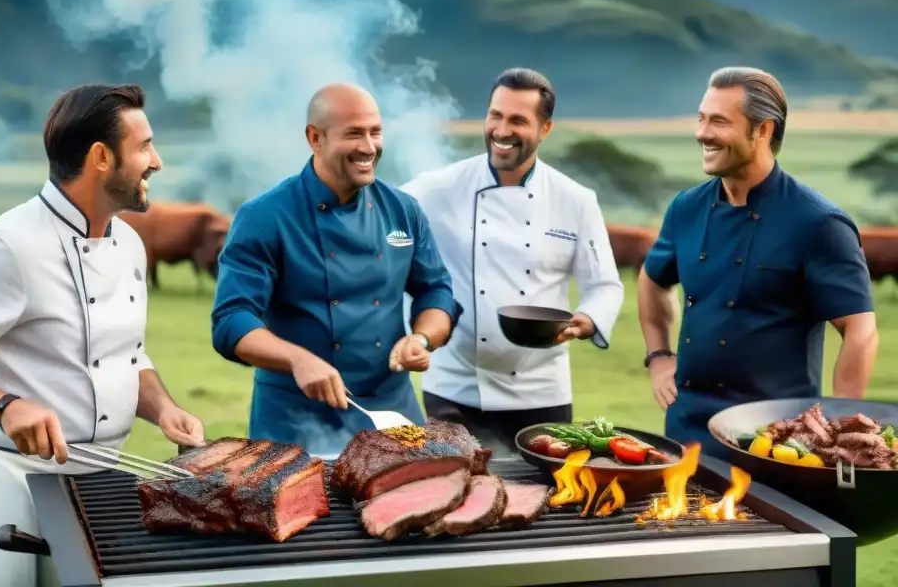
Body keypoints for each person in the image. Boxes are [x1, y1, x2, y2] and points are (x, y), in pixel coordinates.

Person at [0, 84, 206, 587]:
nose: (158, 161)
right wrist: (6, 406)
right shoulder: (4, 246)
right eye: (145, 146)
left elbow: (124, 354)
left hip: (109, 486)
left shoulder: (128, 243)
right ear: (101, 158)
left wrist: (163, 408)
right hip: (20, 489)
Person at [638, 67, 878, 460]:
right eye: (701, 118)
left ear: (763, 130)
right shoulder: (686, 208)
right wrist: (659, 357)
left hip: (775, 440)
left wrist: (838, 428)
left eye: (719, 121)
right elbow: (652, 280)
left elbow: (860, 330)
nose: (702, 133)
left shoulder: (817, 223)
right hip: (687, 429)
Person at [211, 83, 462, 455]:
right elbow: (232, 320)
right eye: (354, 134)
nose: (369, 146)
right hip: (293, 420)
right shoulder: (264, 216)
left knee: (412, 507)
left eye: (375, 132)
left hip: (392, 412)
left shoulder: (403, 210)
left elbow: (437, 291)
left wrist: (423, 338)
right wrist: (297, 360)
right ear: (315, 138)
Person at [400, 68, 625, 455]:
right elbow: (375, 212)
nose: (501, 130)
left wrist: (587, 320)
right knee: (457, 493)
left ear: (545, 128)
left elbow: (604, 285)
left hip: (541, 391)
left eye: (518, 120)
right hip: (454, 388)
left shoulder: (575, 199)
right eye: (495, 116)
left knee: (540, 498)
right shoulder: (437, 187)